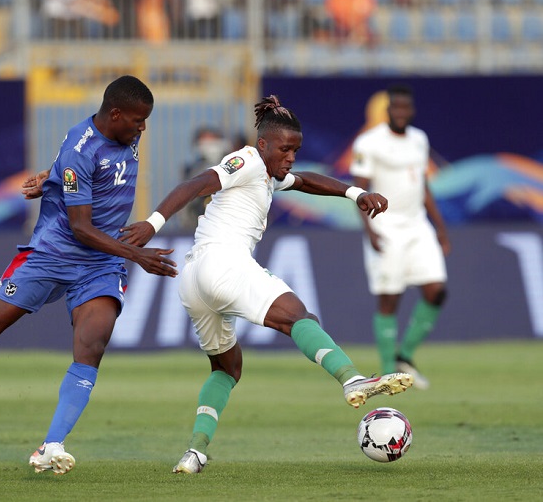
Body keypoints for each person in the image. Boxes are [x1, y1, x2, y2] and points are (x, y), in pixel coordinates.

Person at [0, 75, 178, 474]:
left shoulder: (121, 133)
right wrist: (136, 254)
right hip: (54, 253)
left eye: (145, 121)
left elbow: (76, 171)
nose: (142, 129)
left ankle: (51, 444)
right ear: (115, 114)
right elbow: (80, 227)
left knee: (92, 343)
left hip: (99, 264)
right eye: (137, 121)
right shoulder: (83, 146)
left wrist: (50, 177)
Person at [119, 95, 414, 474]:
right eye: (285, 149)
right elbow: (197, 184)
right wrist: (152, 223)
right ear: (263, 144)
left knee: (227, 369)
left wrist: (355, 193)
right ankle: (351, 379)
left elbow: (307, 181)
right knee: (298, 316)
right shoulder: (246, 160)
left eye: (296, 150)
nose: (291, 157)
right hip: (223, 263)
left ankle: (195, 451)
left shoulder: (267, 172)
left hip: (195, 282)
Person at [350, 84, 450, 390]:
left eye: (406, 108)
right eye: (396, 108)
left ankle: (404, 356)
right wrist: (369, 230)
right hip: (385, 225)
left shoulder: (419, 139)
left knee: (436, 290)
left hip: (418, 224)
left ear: (411, 110)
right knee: (390, 298)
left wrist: (440, 226)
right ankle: (386, 371)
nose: (401, 113)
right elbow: (359, 189)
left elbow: (422, 184)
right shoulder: (369, 142)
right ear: (388, 110)